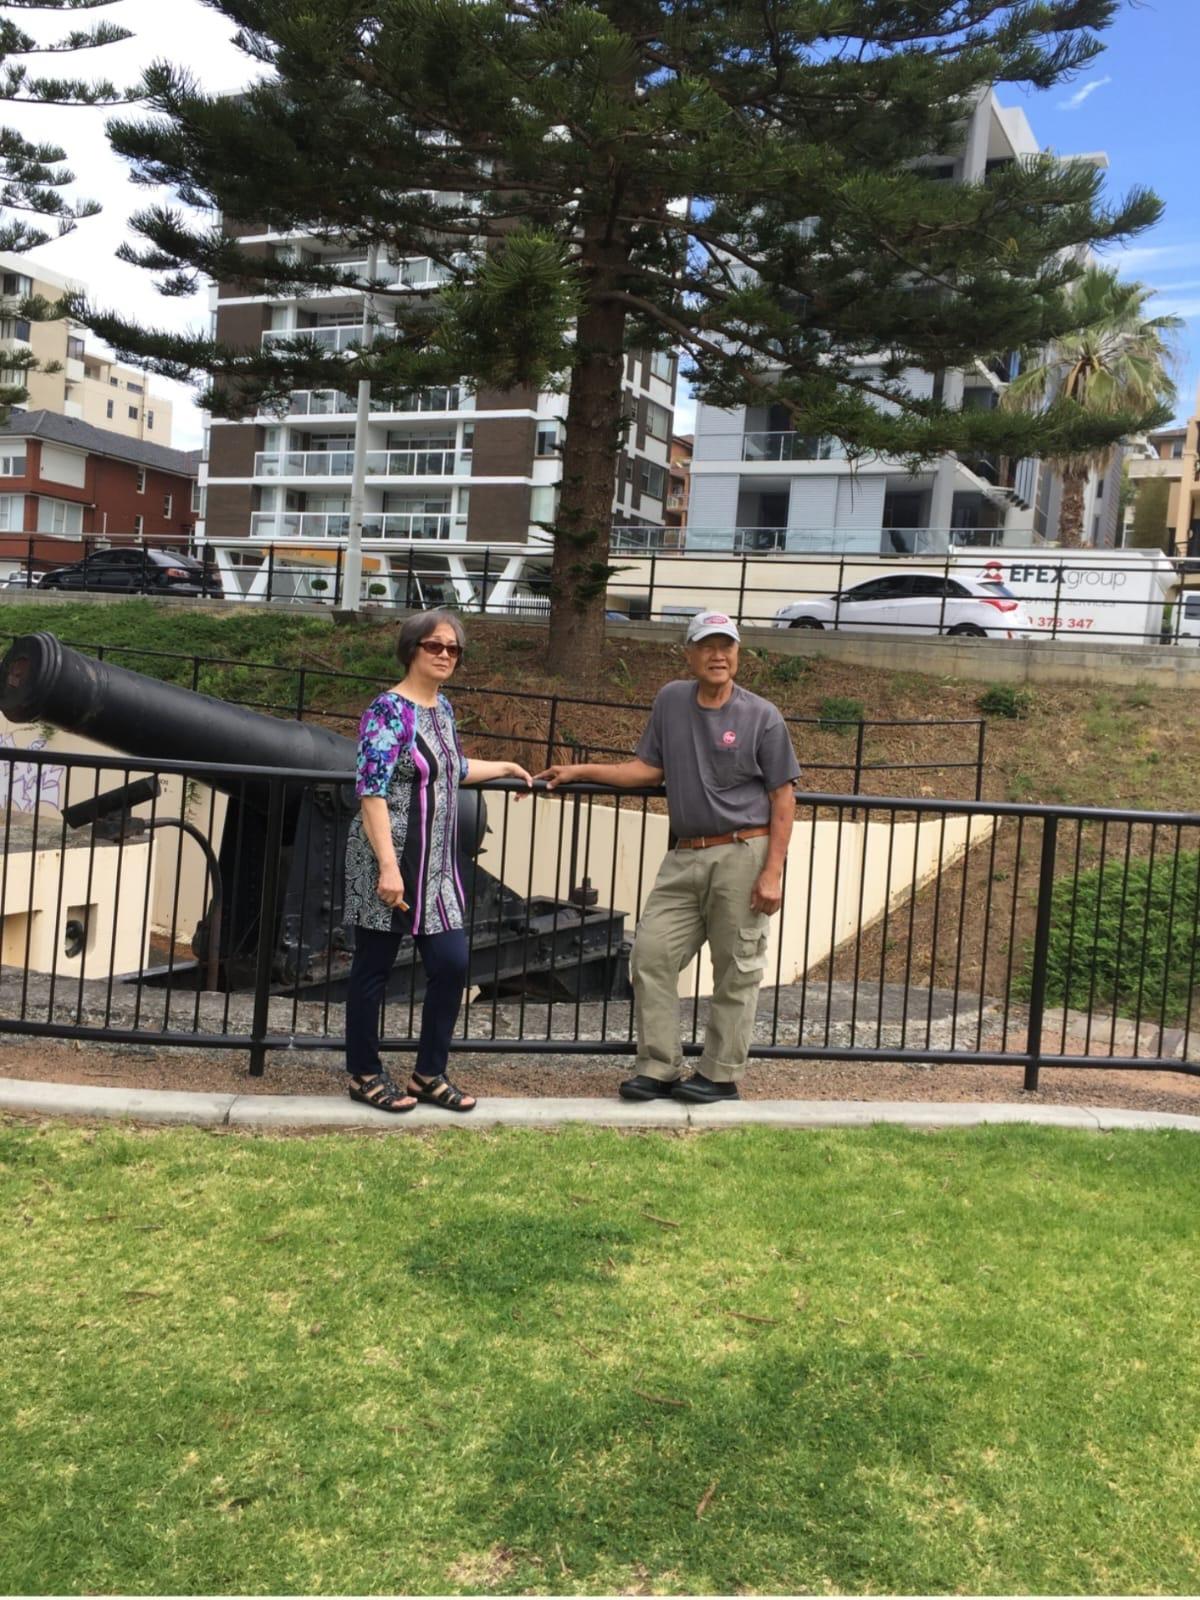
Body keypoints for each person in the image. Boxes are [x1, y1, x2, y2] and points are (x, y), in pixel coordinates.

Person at [536, 610, 799, 1104]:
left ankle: (720, 1075)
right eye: (707, 646)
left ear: (738, 654)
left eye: (727, 646)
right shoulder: (671, 700)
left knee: (736, 968)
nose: (717, 655)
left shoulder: (762, 715)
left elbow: (784, 797)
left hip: (744, 851)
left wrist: (773, 873)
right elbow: (646, 769)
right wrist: (579, 772)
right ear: (690, 654)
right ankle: (658, 1066)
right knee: (651, 955)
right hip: (684, 854)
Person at [343, 608, 532, 1112]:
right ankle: (363, 1073)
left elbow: (452, 768)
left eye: (454, 649)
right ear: (412, 650)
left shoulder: (441, 710)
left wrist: (507, 766)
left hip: (437, 867)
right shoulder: (388, 711)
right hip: (392, 860)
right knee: (373, 970)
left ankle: (428, 1074)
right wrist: (387, 866)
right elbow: (372, 791)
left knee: (451, 965)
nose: (446, 654)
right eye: (435, 646)